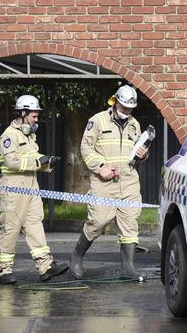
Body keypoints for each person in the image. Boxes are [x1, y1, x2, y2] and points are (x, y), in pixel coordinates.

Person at [69, 85, 149, 280]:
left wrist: (143, 155)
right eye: (124, 107)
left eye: (130, 108)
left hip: (128, 181)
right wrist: (101, 166)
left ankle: (128, 268)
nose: (127, 112)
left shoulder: (134, 125)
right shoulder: (97, 121)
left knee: (129, 223)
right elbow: (86, 148)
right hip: (104, 181)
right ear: (115, 102)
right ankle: (76, 256)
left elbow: (138, 154)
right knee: (99, 221)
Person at [0, 94, 68, 284]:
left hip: (31, 186)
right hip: (13, 187)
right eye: (34, 116)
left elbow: (32, 159)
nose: (37, 120)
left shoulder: (29, 136)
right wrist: (38, 161)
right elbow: (12, 161)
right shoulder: (10, 135)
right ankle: (4, 270)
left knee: (35, 224)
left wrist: (48, 162)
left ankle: (46, 267)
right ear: (23, 113)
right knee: (11, 228)